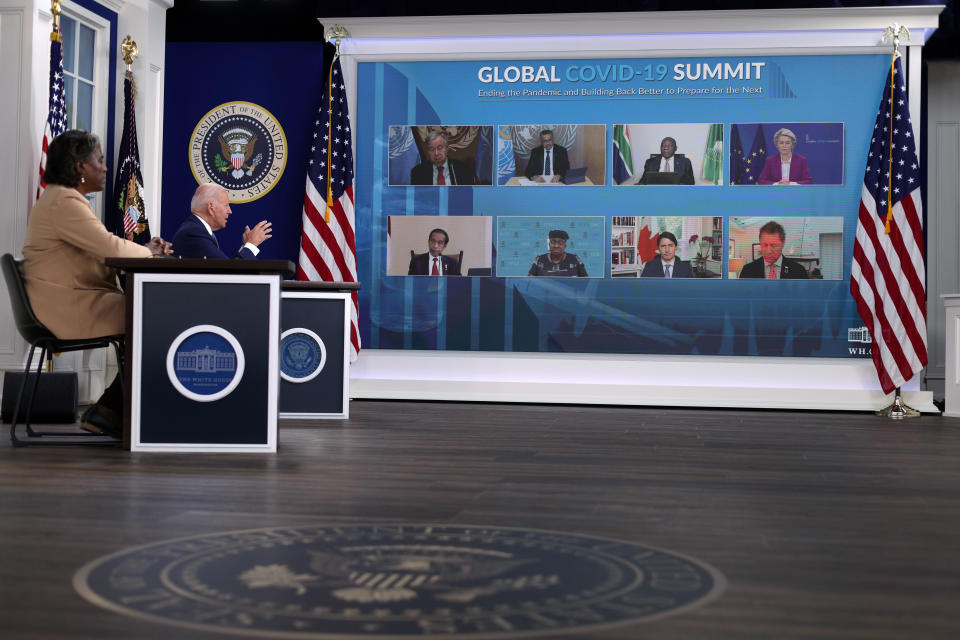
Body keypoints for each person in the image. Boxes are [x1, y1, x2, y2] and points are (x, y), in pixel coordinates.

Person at [22, 130, 173, 437]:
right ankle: (110, 411)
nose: (104, 168)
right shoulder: (64, 202)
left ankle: (109, 411)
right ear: (80, 167)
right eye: (100, 161)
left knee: (151, 313)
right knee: (155, 316)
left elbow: (105, 246)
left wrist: (146, 251)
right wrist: (147, 252)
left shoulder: (62, 199)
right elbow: (111, 248)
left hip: (70, 300)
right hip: (64, 307)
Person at [172, 183, 272, 259]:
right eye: (226, 206)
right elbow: (229, 274)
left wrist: (246, 246)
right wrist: (251, 244)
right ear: (211, 208)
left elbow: (224, 269)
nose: (230, 211)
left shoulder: (196, 229)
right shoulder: (194, 233)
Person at [739, 221, 809, 279]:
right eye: (765, 245)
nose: (768, 251)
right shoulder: (747, 270)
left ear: (783, 243)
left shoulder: (799, 271)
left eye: (774, 245)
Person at [409, 131, 475, 186]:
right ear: (427, 151)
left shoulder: (463, 169)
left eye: (440, 148)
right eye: (431, 149)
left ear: (446, 149)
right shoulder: (418, 173)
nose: (436, 153)